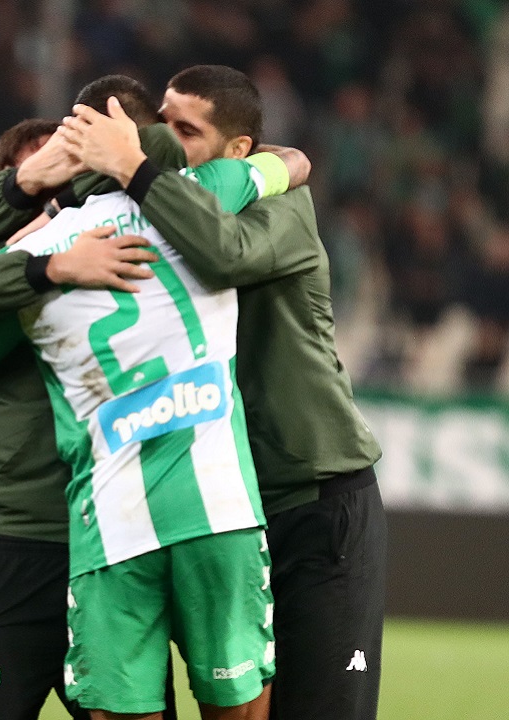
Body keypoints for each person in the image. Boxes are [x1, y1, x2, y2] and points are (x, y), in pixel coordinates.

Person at [0, 80, 303, 720]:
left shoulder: (41, 254)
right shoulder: (205, 196)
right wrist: (142, 161)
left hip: (111, 525)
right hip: (216, 509)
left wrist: (29, 197)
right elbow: (292, 162)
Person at [108, 65, 386, 720]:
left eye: (186, 130)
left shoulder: (281, 206)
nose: (166, 141)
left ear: (239, 151)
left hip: (314, 495)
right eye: (161, 125)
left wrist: (137, 173)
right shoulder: (153, 215)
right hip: (224, 514)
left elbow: (225, 253)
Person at [0, 80, 175, 720]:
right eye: (35, 186)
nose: (50, 205)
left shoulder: (151, 248)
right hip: (20, 538)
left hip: (115, 543)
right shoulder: (18, 283)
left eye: (64, 179)